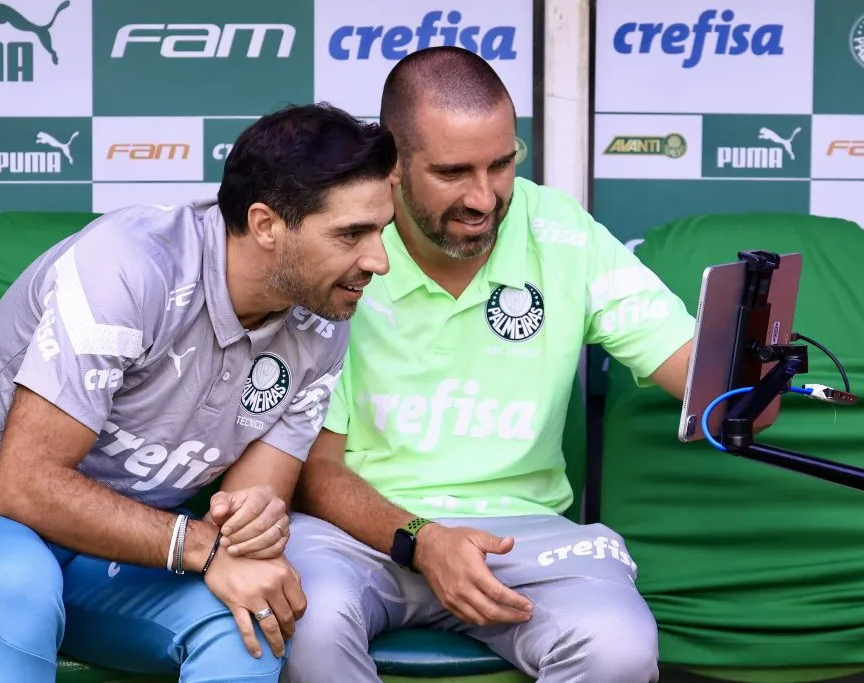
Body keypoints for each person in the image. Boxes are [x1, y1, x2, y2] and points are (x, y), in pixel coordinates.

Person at [0, 102, 396, 683]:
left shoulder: (323, 319)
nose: (378, 261)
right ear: (265, 225)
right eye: (351, 234)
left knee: (248, 626)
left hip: (117, 544)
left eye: (379, 231)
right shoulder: (131, 267)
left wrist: (252, 525)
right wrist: (205, 548)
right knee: (19, 585)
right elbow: (26, 486)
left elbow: (249, 503)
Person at [268, 47, 695, 683]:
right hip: (361, 532)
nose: (484, 196)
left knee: (619, 649)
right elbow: (315, 471)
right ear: (393, 164)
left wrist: (748, 369)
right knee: (304, 625)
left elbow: (708, 383)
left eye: (502, 164)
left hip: (523, 539)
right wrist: (421, 538)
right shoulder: (346, 243)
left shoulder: (559, 230)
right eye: (452, 172)